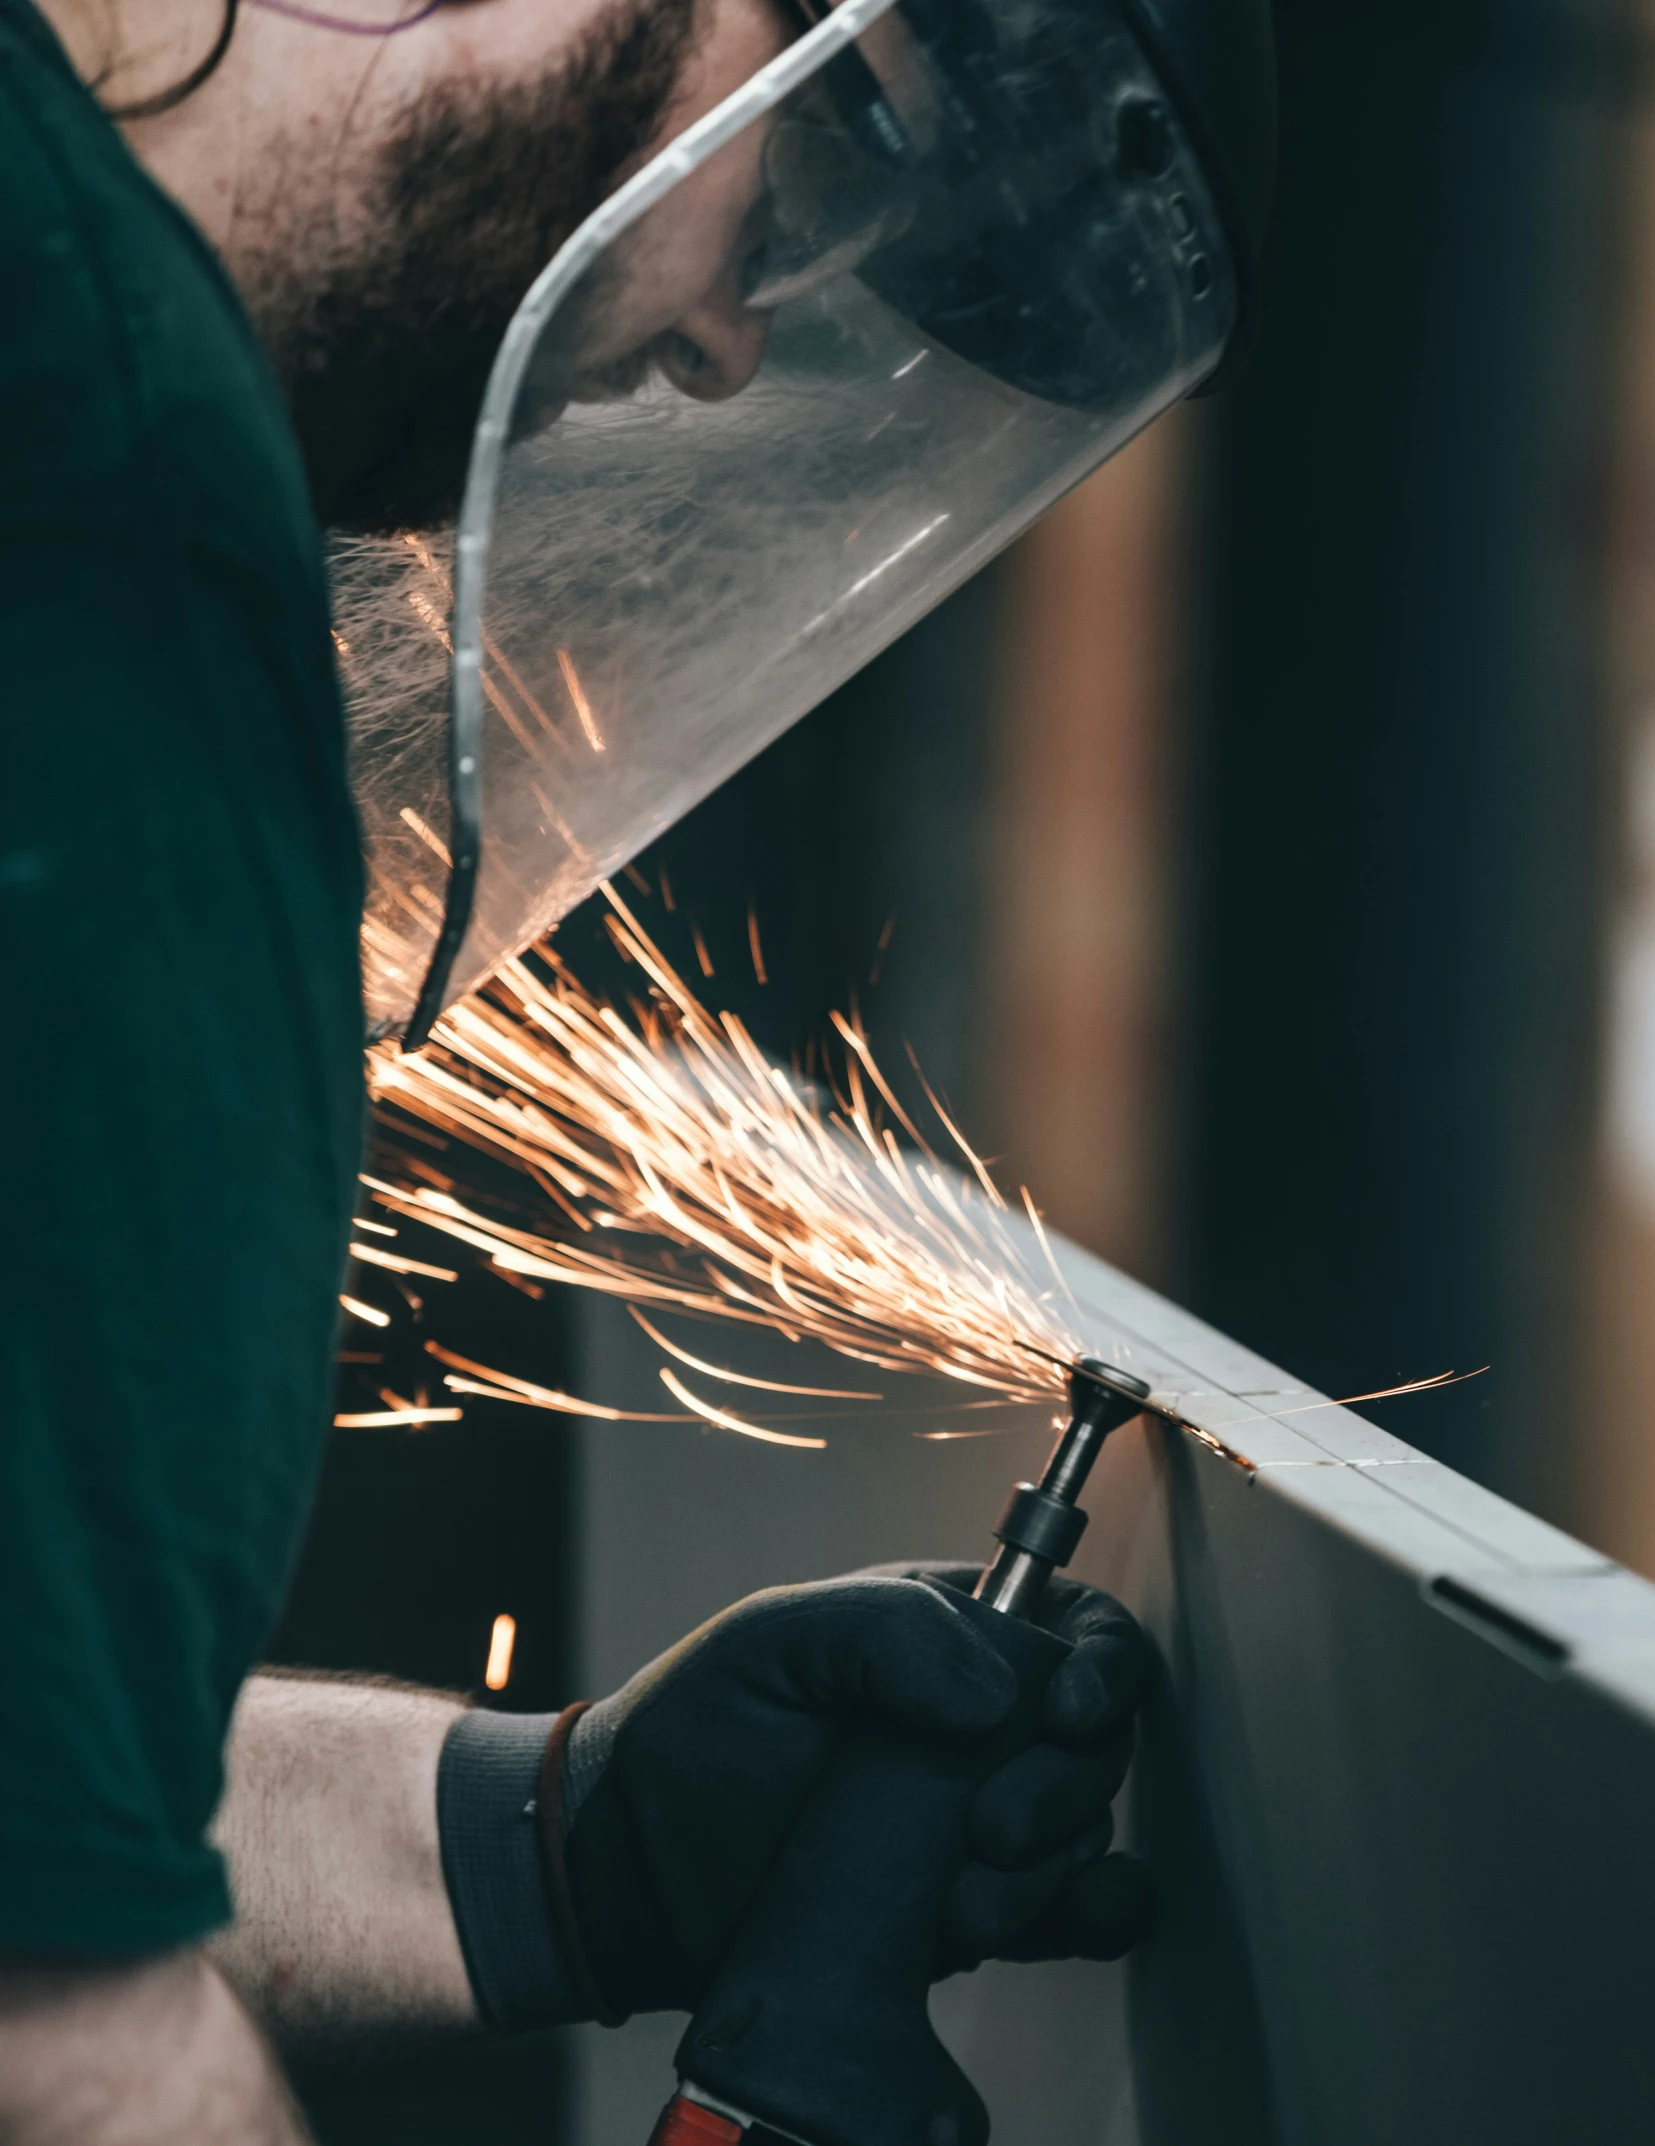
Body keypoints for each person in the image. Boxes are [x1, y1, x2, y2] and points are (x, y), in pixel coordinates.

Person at [0, 0, 1181, 2139]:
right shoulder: (97, 520)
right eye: (820, 154)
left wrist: (551, 1846)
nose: (732, 344)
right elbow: (58, 2055)